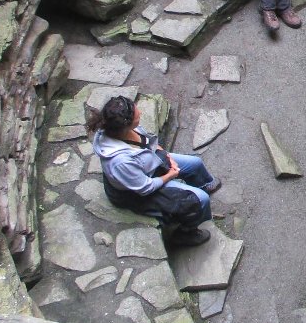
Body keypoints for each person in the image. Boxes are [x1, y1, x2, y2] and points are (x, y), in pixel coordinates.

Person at [89, 95, 220, 247]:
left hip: (148, 163)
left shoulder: (121, 128)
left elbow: (148, 142)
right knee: (201, 199)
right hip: (138, 190)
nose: (141, 114)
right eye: (137, 116)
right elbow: (145, 187)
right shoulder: (120, 162)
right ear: (126, 124)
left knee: (195, 163)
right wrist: (171, 175)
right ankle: (186, 232)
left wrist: (167, 157)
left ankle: (202, 185)